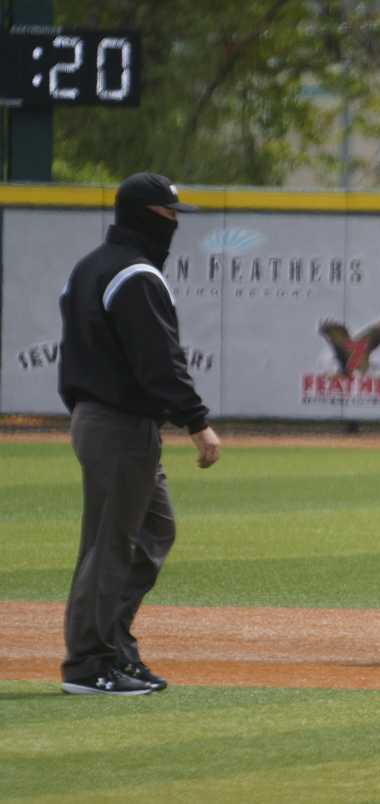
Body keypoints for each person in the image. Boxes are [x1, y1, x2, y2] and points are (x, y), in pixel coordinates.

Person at [57, 172, 221, 695]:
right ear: (148, 216)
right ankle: (89, 663)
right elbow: (159, 361)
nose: (175, 223)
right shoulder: (135, 274)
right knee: (111, 544)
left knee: (155, 530)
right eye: (170, 213)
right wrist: (197, 423)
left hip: (101, 418)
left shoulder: (90, 268)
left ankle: (115, 647)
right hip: (119, 425)